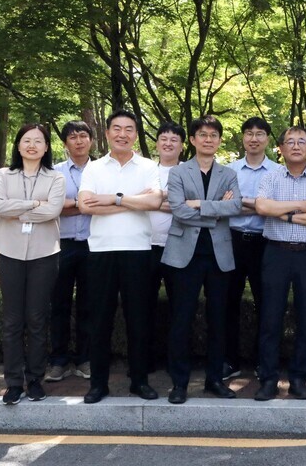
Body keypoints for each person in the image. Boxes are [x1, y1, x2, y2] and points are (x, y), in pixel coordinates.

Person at [77, 110, 163, 404]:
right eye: (117, 128)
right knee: (99, 320)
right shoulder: (95, 167)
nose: (122, 134)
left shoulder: (149, 166)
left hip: (139, 251)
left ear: (136, 135)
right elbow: (86, 206)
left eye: (129, 129)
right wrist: (131, 200)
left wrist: (112, 198)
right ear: (108, 133)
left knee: (138, 319)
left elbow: (154, 201)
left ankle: (139, 381)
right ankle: (98, 384)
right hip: (101, 251)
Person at [162, 116, 242, 403]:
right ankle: (179, 383)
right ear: (193, 140)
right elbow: (179, 210)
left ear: (219, 140)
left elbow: (235, 206)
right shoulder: (179, 173)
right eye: (202, 135)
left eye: (213, 135)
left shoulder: (229, 173)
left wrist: (198, 204)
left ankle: (214, 380)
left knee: (218, 320)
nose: (208, 140)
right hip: (185, 255)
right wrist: (214, 209)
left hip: (219, 256)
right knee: (181, 320)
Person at [252, 127, 306, 401]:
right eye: (290, 142)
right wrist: (300, 205)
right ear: (281, 148)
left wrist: (285, 215)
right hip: (276, 253)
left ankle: (299, 378)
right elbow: (263, 208)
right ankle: (268, 379)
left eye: (302, 142)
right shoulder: (271, 177)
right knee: (270, 317)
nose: (296, 146)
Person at [0, 123, 66, 404]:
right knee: (12, 320)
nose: (32, 145)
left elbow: (53, 210)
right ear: (18, 145)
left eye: (38, 141)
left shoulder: (55, 178)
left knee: (36, 318)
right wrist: (35, 203)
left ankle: (35, 379)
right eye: (26, 140)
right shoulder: (3, 175)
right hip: (9, 252)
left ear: (46, 147)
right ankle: (13, 382)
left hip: (45, 254)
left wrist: (18, 209)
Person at [225, 117, 282, 378]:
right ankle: (230, 361)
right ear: (243, 138)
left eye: (260, 133)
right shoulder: (229, 170)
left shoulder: (278, 172)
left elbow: (276, 207)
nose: (254, 138)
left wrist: (243, 202)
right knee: (228, 302)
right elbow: (223, 205)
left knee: (266, 303)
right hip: (233, 240)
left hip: (266, 242)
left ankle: (264, 361)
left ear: (268, 139)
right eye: (249, 133)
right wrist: (260, 204)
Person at [48, 120, 94, 382]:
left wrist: (70, 204)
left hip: (93, 244)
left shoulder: (102, 171)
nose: (79, 140)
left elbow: (104, 204)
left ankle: (85, 359)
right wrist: (83, 203)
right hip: (61, 243)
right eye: (73, 137)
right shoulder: (54, 173)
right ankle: (58, 360)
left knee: (89, 304)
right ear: (65, 143)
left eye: (83, 135)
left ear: (91, 140)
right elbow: (51, 206)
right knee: (59, 304)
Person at [147, 121, 186, 370]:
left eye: (174, 139)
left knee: (180, 307)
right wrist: (173, 201)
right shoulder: (146, 170)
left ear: (183, 145)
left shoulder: (189, 171)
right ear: (157, 143)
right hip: (147, 245)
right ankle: (146, 359)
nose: (168, 143)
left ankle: (177, 362)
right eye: (164, 138)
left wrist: (153, 200)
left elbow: (190, 204)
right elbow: (134, 201)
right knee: (144, 304)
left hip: (180, 245)